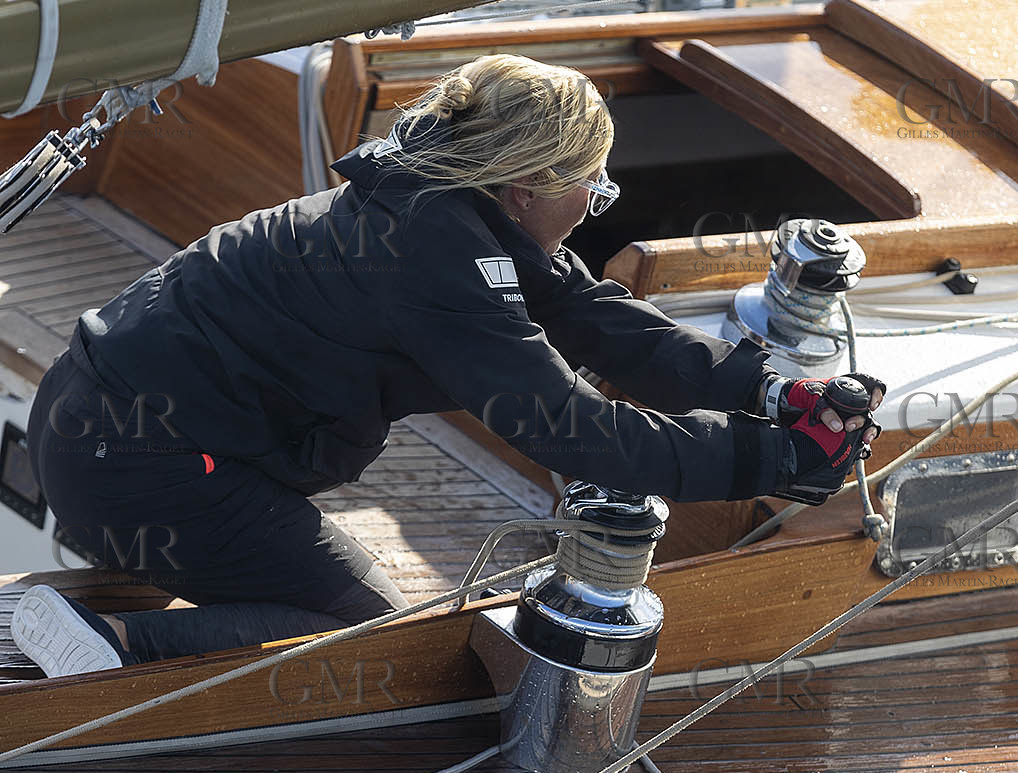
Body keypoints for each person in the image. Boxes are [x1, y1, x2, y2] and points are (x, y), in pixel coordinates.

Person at [13, 53, 883, 678]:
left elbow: (601, 321)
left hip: (108, 425)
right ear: (525, 189)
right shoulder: (439, 259)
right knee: (366, 626)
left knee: (339, 596)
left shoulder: (433, 202)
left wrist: (770, 389)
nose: (595, 205)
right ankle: (118, 648)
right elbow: (569, 429)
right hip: (138, 469)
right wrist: (770, 462)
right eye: (594, 186)